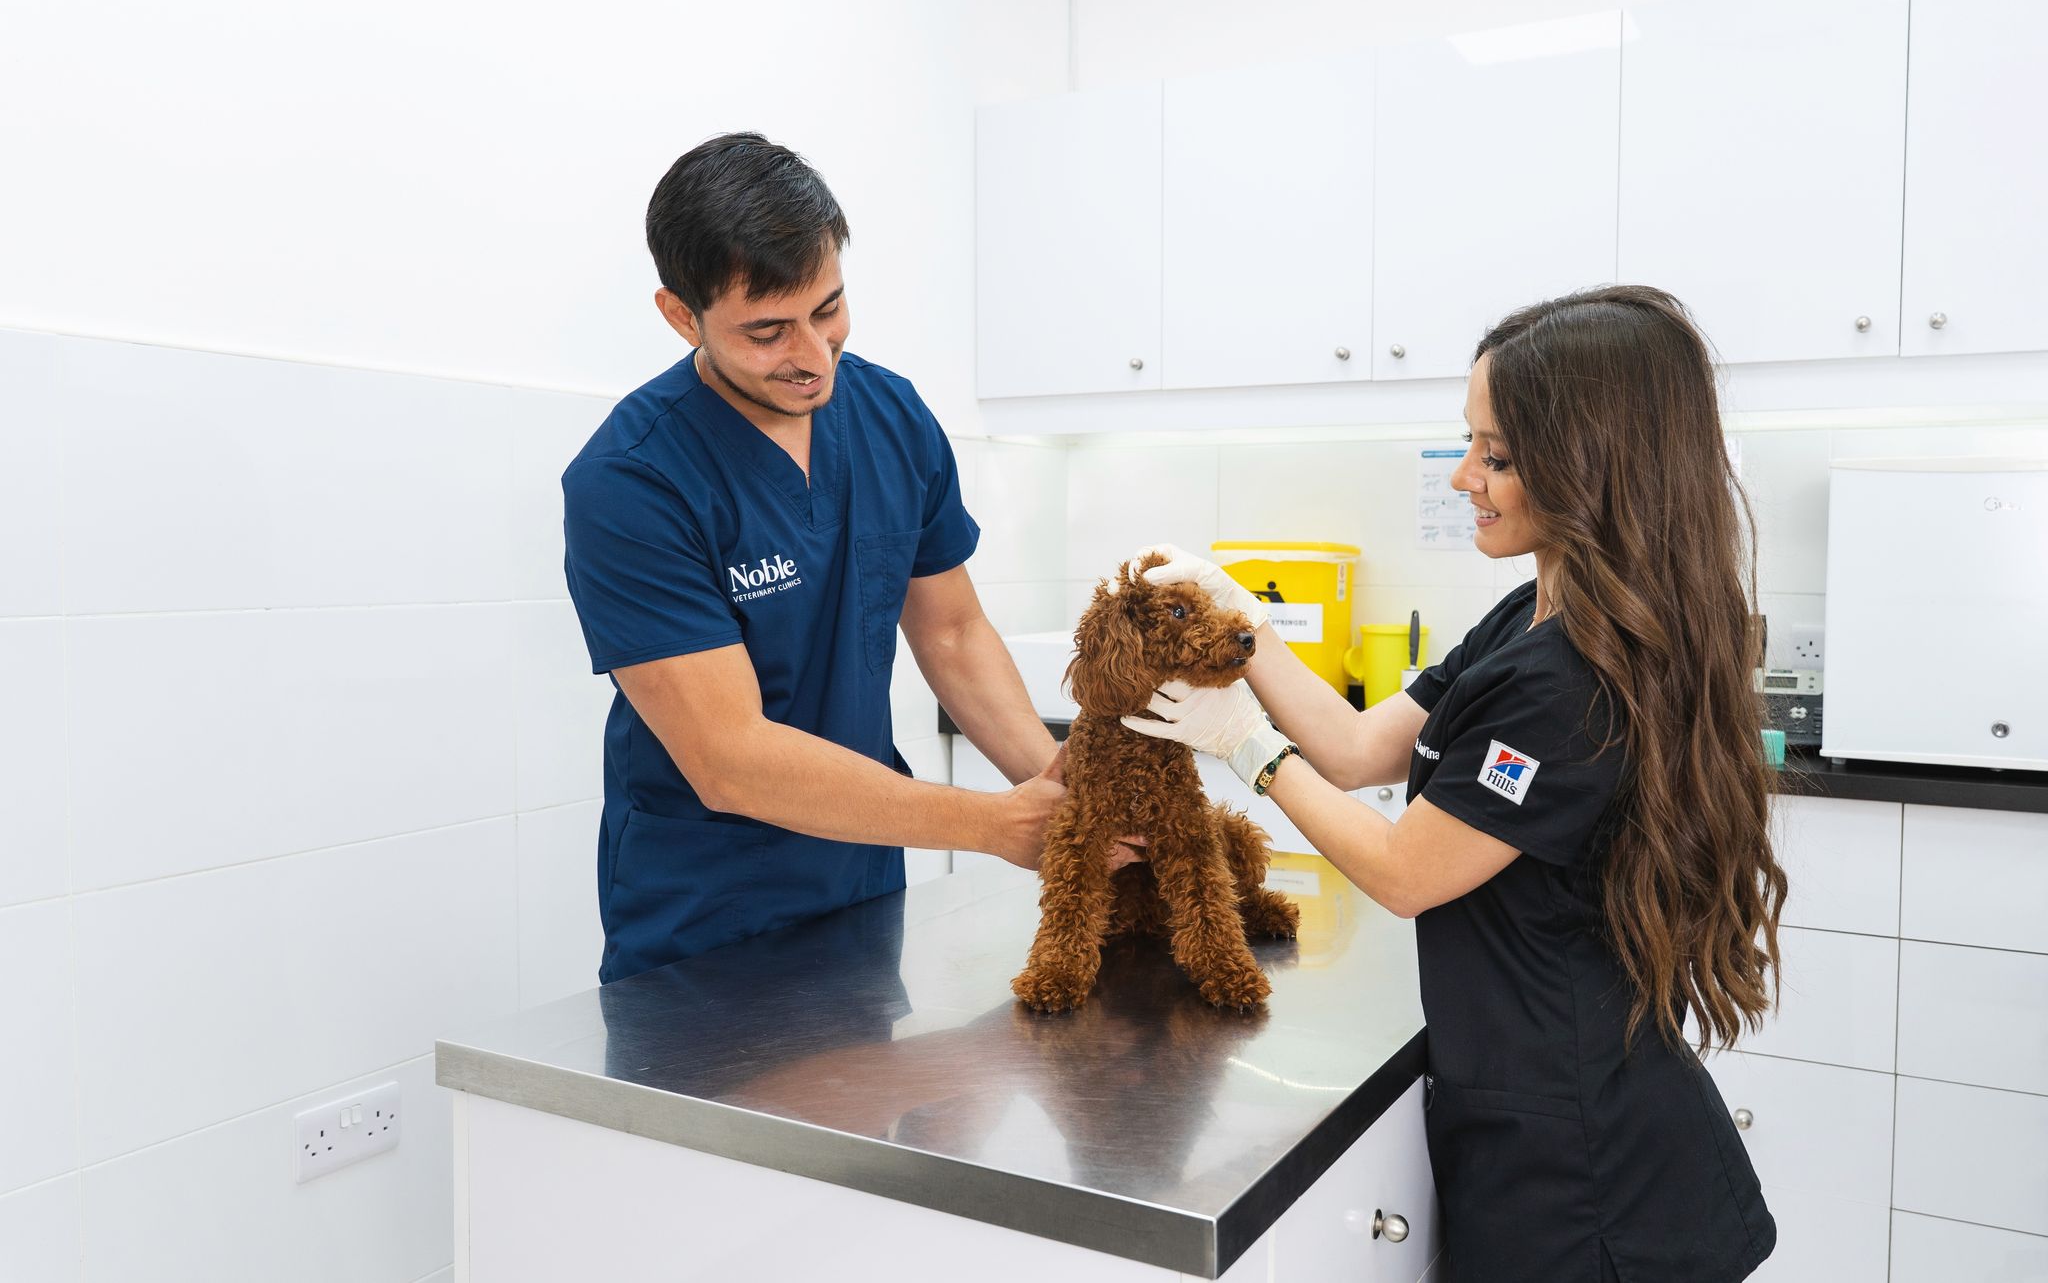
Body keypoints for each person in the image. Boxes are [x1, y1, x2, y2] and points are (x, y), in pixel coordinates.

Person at [1123, 285, 1784, 1282]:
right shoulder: (1528, 617)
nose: (1463, 477)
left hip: (1587, 1174)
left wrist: (1245, 748)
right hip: (1535, 1111)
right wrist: (1241, 627)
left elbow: (1402, 872)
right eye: (1469, 443)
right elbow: (1353, 747)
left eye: (1498, 456)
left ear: (1592, 465)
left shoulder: (1574, 682)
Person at [563, 132, 1106, 985]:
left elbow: (955, 633)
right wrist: (996, 825)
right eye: (768, 331)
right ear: (681, 316)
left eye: (828, 309)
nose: (814, 357)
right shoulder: (631, 483)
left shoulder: (890, 415)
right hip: (705, 926)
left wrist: (1063, 796)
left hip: (861, 894)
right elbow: (729, 755)